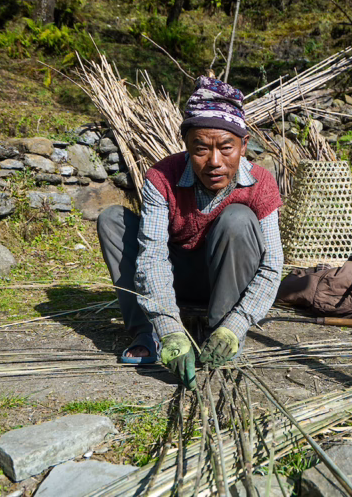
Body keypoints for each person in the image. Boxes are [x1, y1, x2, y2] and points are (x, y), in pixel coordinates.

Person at [96, 76, 284, 389]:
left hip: (223, 284)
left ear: (244, 145)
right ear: (186, 145)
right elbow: (152, 254)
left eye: (226, 148)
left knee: (238, 218)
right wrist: (168, 327)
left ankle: (219, 332)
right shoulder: (162, 177)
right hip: (174, 279)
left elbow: (273, 262)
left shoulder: (261, 183)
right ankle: (148, 332)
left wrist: (237, 325)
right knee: (112, 219)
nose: (214, 162)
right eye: (201, 149)